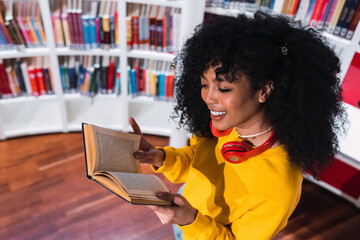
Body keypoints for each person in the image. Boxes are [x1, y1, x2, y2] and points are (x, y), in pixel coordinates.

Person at [129, 11, 346, 240]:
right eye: (204, 84)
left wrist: (190, 220)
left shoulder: (279, 187)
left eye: (223, 89)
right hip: (186, 208)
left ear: (264, 91)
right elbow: (197, 157)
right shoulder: (226, 124)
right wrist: (160, 157)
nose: (209, 98)